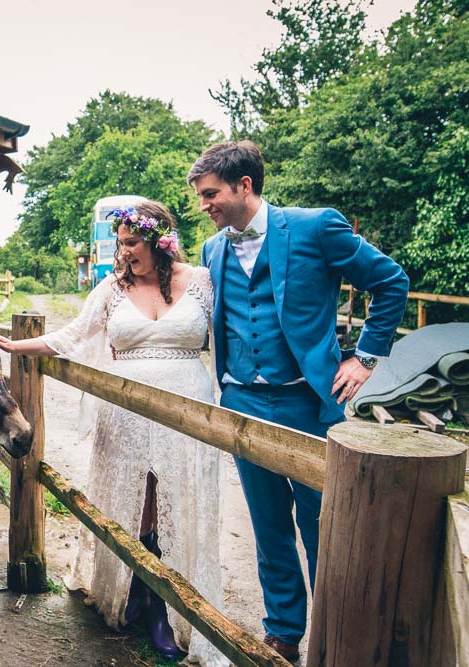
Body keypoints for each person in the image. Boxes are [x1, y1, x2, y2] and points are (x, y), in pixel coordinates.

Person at [188, 141, 408, 661]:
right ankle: (283, 634)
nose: (204, 205)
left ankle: (334, 637)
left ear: (244, 185)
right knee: (268, 527)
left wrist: (364, 358)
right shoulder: (212, 250)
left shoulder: (316, 227)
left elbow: (391, 282)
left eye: (211, 194)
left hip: (308, 403)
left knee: (322, 525)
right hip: (242, 403)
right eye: (201, 196)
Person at [0, 201, 224, 666]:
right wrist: (13, 345)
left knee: (175, 501)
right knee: (140, 502)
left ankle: (168, 604)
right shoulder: (113, 288)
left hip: (187, 412)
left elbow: (229, 337)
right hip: (127, 414)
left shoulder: (201, 281)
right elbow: (70, 336)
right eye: (121, 243)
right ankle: (142, 593)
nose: (124, 251)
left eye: (132, 242)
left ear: (159, 240)